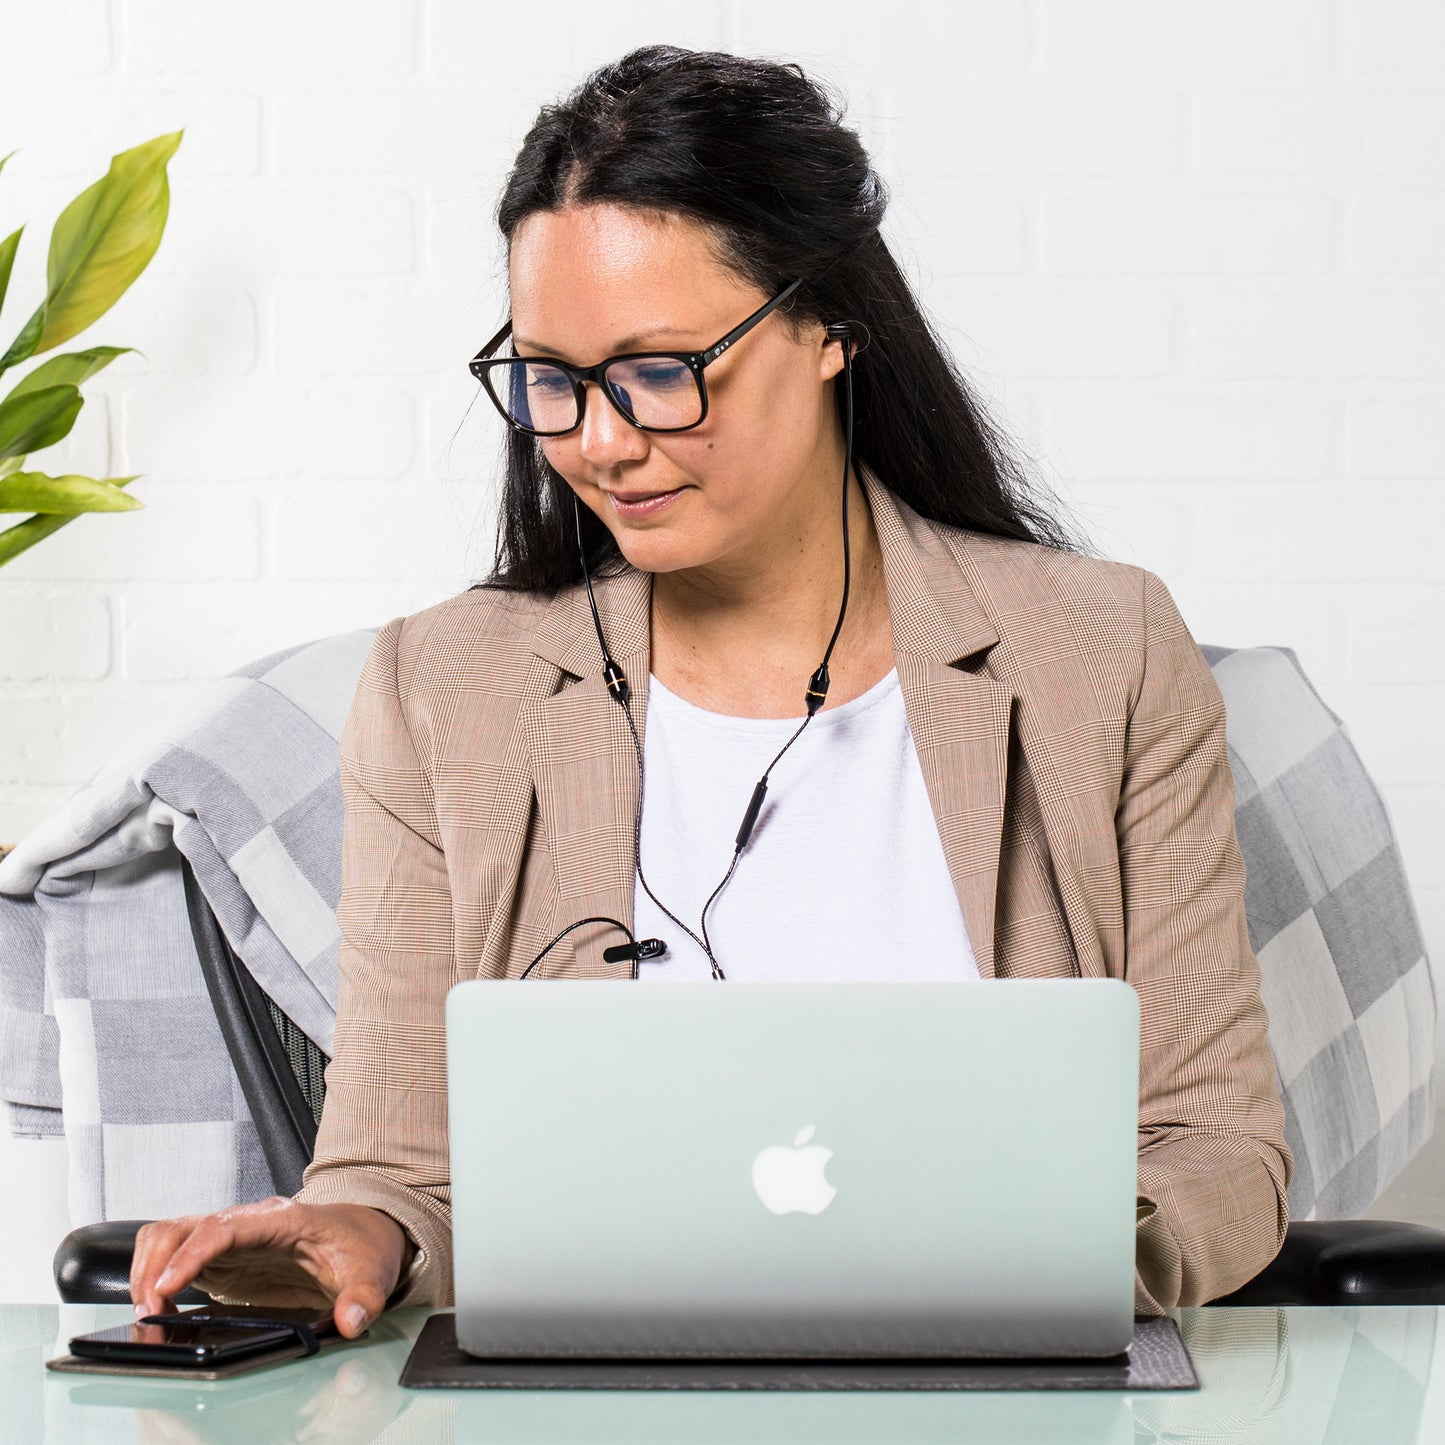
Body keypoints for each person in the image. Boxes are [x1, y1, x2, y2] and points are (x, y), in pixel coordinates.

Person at [129, 45, 1291, 1339]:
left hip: (1002, 1381)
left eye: (659, 370)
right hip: (592, 1401)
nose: (602, 440)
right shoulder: (442, 692)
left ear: (828, 328)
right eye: (552, 380)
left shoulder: (1101, 651)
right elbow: (397, 1165)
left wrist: (1042, 1255)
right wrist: (353, 1228)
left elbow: (1220, 1146)